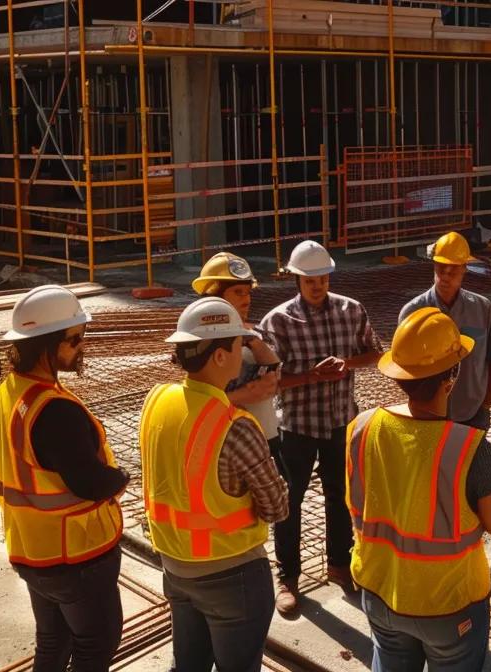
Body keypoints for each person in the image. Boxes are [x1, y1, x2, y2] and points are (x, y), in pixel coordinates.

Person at [346, 306, 491, 671]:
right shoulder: (471, 449)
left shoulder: (362, 427)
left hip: (378, 591)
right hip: (448, 606)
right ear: (451, 377)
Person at [139, 297, 292, 672]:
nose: (243, 353)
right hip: (232, 576)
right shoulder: (234, 426)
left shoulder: (157, 400)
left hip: (175, 568)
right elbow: (276, 508)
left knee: (188, 665)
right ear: (220, 356)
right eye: (239, 344)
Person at [0, 284, 128, 672]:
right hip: (76, 556)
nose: (81, 347)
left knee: (52, 642)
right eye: (74, 339)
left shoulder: (8, 393)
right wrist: (120, 478)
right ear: (45, 344)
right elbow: (89, 482)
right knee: (95, 644)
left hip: (32, 550)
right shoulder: (54, 410)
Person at [257, 239, 384, 617]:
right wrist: (311, 376)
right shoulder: (278, 321)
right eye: (310, 280)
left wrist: (347, 364)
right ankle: (288, 577)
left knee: (340, 496)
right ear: (296, 279)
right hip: (297, 426)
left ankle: (339, 565)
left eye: (323, 279)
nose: (318, 286)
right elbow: (268, 382)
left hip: (340, 422)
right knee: (288, 502)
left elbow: (376, 353)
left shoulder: (351, 310)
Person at [399, 231, 491, 430]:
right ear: (433, 265)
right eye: (441, 269)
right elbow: (401, 367)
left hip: (472, 414)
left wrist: (486, 403)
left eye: (453, 271)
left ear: (464, 269)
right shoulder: (413, 313)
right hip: (426, 417)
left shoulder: (483, 309)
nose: (445, 277)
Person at [192, 252, 284, 444]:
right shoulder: (199, 339)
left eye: (248, 292)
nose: (247, 299)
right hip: (226, 439)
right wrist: (244, 395)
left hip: (265, 435)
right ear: (215, 296)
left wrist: (251, 340)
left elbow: (274, 371)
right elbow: (197, 400)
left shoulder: (252, 335)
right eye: (238, 292)